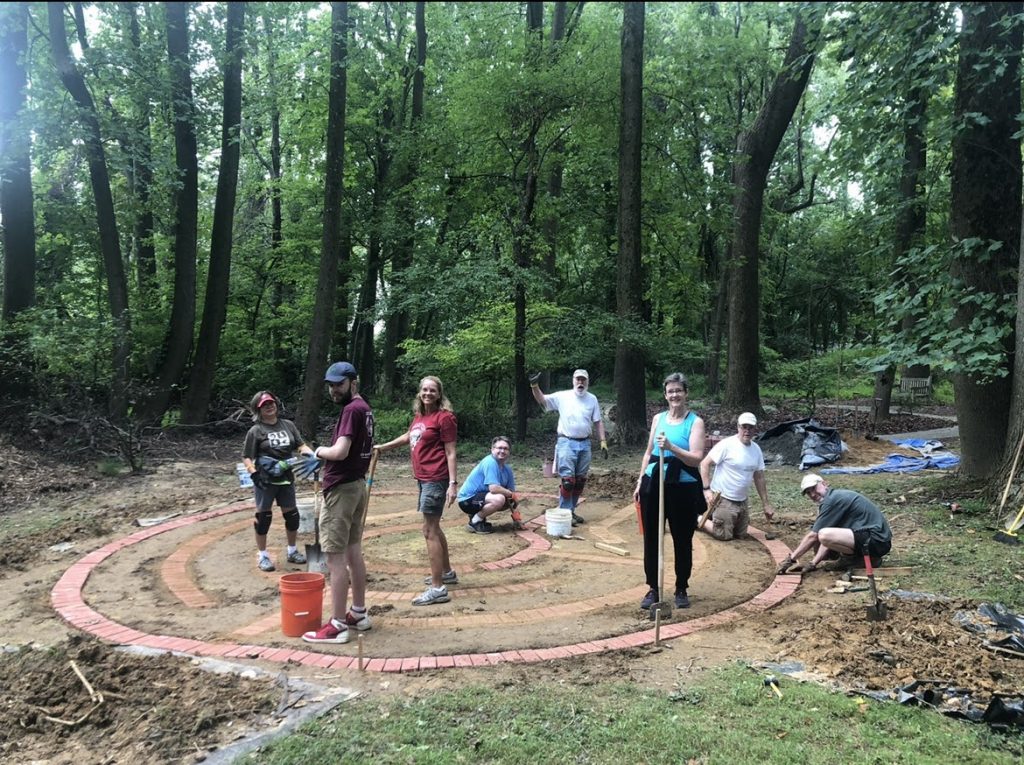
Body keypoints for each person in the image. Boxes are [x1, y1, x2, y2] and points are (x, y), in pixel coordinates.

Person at [302, 361, 375, 644]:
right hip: (357, 485)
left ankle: (337, 625)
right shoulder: (365, 409)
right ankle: (358, 613)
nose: (334, 390)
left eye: (339, 384)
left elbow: (341, 451)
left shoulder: (350, 410)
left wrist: (318, 451)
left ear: (353, 382)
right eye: (330, 385)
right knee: (353, 552)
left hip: (342, 489)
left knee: (334, 558)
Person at [375, 375, 459, 605]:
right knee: (434, 527)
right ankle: (447, 573)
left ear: (439, 394)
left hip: (436, 477)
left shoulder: (445, 418)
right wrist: (384, 447)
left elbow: (451, 451)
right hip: (423, 478)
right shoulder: (421, 416)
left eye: (432, 390)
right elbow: (409, 436)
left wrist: (453, 484)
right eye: (424, 390)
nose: (428, 393)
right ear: (419, 393)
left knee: (428, 530)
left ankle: (437, 588)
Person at [632, 373, 706, 610]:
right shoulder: (657, 419)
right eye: (670, 391)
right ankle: (653, 587)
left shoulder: (695, 422)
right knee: (652, 538)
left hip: (682, 487)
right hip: (653, 484)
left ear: (686, 393)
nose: (674, 395)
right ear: (665, 395)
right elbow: (647, 453)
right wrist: (640, 481)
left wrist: (672, 447)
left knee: (682, 538)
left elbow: (696, 459)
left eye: (678, 390)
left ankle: (681, 586)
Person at [241, 391, 317, 572]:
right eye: (264, 405)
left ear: (276, 404)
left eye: (271, 403)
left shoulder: (288, 425)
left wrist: (311, 454)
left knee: (292, 517)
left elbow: (300, 444)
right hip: (265, 480)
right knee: (263, 519)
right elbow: (247, 456)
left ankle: (292, 551)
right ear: (258, 409)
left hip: (286, 479)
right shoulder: (256, 430)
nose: (269, 406)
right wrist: (253, 473)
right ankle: (263, 556)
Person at [531, 369, 607, 526]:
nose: (580, 383)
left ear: (587, 382)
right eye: (578, 380)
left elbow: (598, 421)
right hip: (566, 442)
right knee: (568, 481)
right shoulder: (563, 396)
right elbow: (542, 400)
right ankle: (564, 513)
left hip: (585, 443)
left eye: (583, 380)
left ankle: (570, 511)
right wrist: (534, 385)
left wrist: (603, 441)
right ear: (573, 381)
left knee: (580, 481)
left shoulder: (592, 399)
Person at [777, 474, 893, 574]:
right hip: (874, 540)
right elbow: (830, 538)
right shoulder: (833, 498)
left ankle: (856, 559)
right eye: (808, 492)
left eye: (813, 488)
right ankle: (862, 559)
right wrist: (813, 563)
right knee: (825, 534)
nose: (812, 494)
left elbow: (814, 536)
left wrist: (790, 560)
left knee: (823, 534)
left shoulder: (832, 501)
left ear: (824, 483)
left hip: (876, 540)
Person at [697, 412, 775, 541]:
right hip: (723, 498)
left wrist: (766, 504)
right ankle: (698, 518)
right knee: (724, 535)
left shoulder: (756, 449)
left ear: (755, 429)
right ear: (738, 427)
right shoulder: (726, 445)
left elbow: (759, 476)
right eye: (744, 427)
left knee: (741, 535)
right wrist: (707, 490)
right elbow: (705, 464)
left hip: (742, 501)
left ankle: (717, 518)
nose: (747, 431)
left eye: (751, 427)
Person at [458, 436, 521, 533]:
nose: (502, 451)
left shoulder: (507, 469)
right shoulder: (490, 462)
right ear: (492, 449)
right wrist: (511, 495)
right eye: (499, 448)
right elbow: (494, 488)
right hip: (467, 500)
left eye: (505, 448)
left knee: (509, 500)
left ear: (509, 452)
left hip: (481, 497)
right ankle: (475, 522)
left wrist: (517, 519)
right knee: (500, 499)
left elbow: (511, 493)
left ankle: (477, 516)